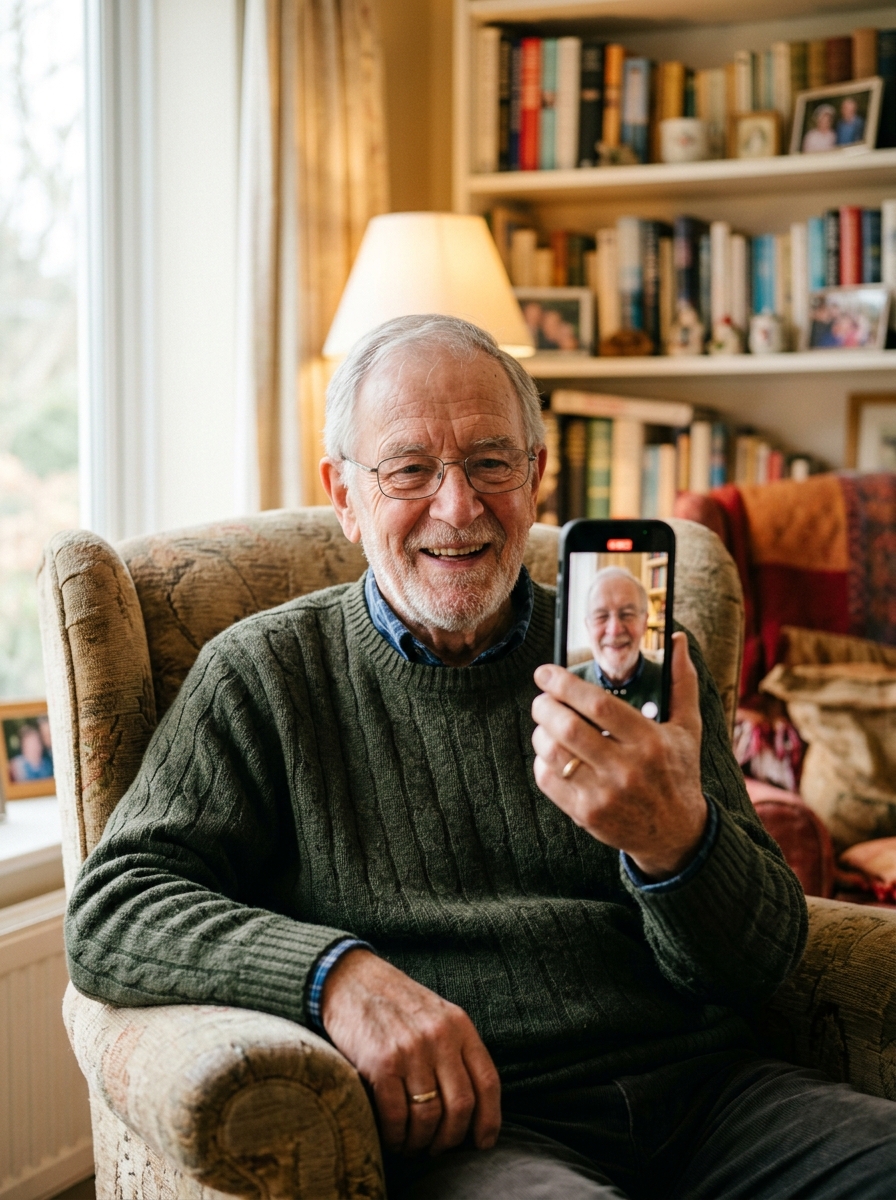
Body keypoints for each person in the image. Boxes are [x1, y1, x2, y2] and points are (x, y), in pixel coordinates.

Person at [65, 314, 896, 1198]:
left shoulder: (639, 660)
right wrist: (335, 977)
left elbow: (761, 964)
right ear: (344, 495)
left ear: (535, 477)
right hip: (487, 1130)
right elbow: (116, 904)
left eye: (491, 463)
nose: (458, 508)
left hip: (720, 1101)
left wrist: (674, 841)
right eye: (410, 469)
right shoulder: (264, 674)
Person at [573, 567, 664, 719]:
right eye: (601, 616)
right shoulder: (566, 684)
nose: (614, 630)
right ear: (588, 626)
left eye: (627, 614)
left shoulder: (672, 683)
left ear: (644, 623)